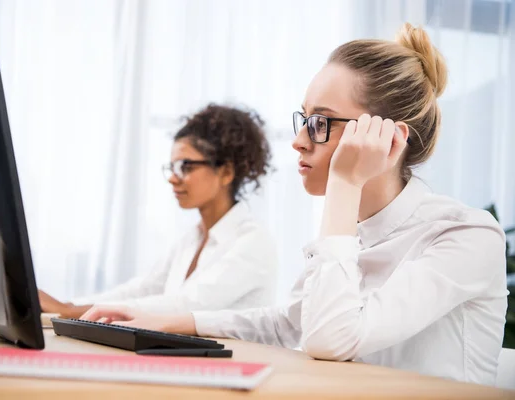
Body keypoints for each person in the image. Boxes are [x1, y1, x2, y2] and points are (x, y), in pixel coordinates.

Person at [79, 23, 508, 385]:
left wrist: (344, 183)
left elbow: (330, 337)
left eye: (320, 122)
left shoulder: (465, 236)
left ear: (387, 139)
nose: (299, 140)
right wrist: (169, 322)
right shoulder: (352, 233)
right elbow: (290, 322)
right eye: (303, 118)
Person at [39, 104, 277, 318]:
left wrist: (70, 312)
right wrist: (67, 305)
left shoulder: (251, 241)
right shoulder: (192, 239)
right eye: (172, 167)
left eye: (186, 166)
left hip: (234, 364)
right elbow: (145, 288)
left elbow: (185, 305)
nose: (173, 178)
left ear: (226, 172)